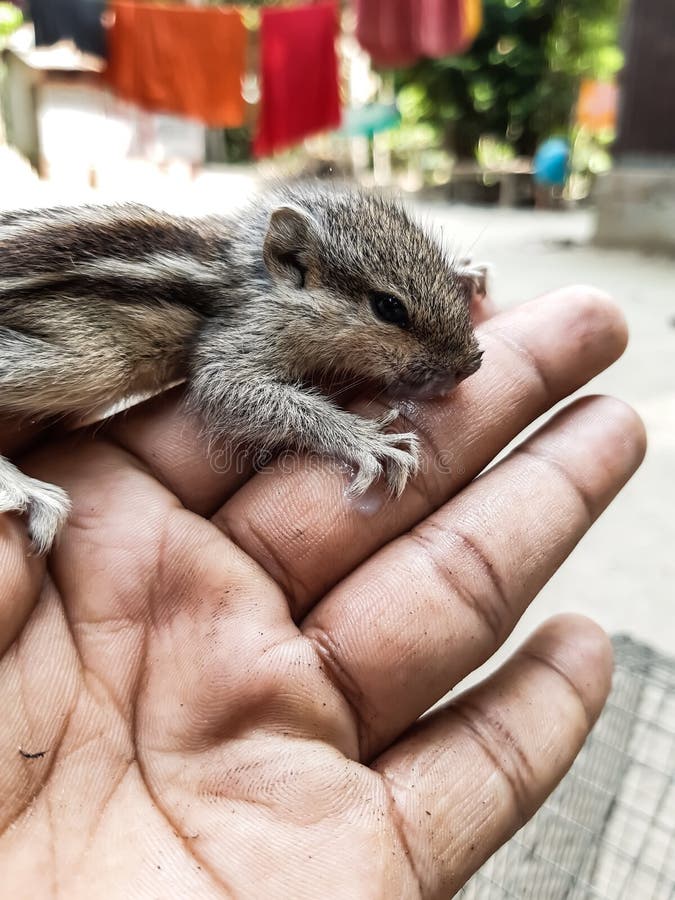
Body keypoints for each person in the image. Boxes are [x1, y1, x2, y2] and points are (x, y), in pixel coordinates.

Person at [0, 285, 645, 897]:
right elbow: (230, 386)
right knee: (86, 369)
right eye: (388, 310)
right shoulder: (251, 312)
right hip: (60, 321)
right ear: (295, 268)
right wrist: (348, 435)